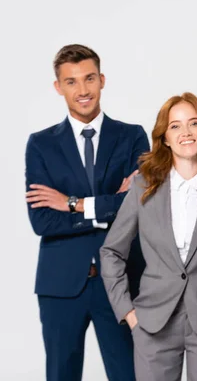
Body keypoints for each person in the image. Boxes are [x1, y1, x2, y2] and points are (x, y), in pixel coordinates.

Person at [25, 44, 148, 381]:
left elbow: (138, 206)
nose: (82, 90)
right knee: (61, 374)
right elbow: (42, 221)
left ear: (102, 80)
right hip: (61, 284)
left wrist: (71, 203)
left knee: (130, 374)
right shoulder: (41, 144)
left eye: (89, 78)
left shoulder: (132, 136)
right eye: (71, 82)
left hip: (122, 281)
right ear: (58, 87)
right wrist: (111, 203)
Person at [100, 93, 197, 381]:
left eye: (194, 123)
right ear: (164, 137)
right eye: (175, 126)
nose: (185, 133)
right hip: (153, 322)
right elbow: (112, 251)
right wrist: (127, 312)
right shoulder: (143, 186)